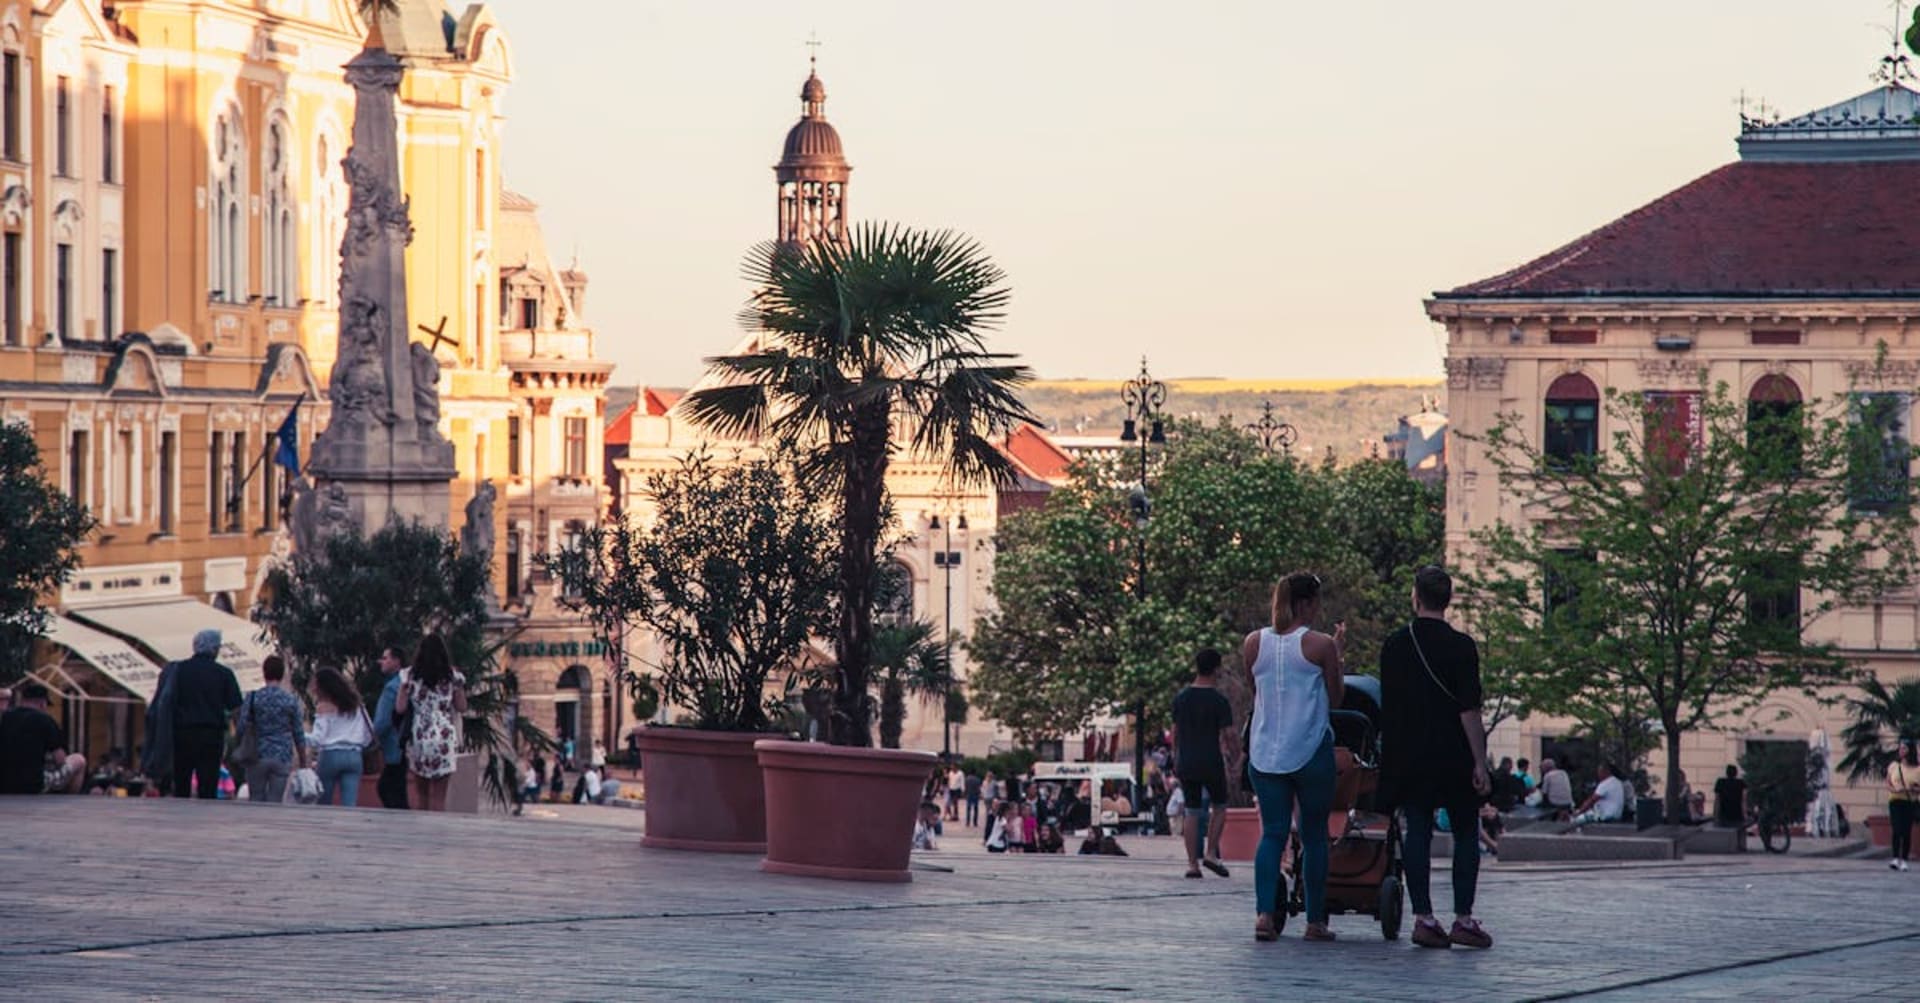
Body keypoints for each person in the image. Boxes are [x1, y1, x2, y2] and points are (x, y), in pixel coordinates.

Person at [1378, 564, 1494, 951]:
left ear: (1416, 596)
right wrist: (1480, 761)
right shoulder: (1462, 646)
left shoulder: (1395, 644)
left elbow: (1389, 708)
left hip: (1411, 754)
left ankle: (1424, 917)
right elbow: (1469, 709)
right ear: (1449, 600)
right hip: (1454, 753)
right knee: (1465, 831)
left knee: (1418, 830)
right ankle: (1463, 917)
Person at [1244, 571, 1345, 944]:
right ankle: (1315, 921)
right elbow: (1336, 699)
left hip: (1266, 749)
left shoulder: (1254, 642)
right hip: (1309, 748)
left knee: (1271, 834)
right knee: (1314, 835)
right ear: (1306, 604)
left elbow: (1257, 689)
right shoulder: (1321, 645)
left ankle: (1264, 915)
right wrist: (1339, 653)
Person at [1172, 646, 1235, 879]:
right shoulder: (1219, 701)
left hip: (1187, 761)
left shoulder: (1181, 698)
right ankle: (1210, 852)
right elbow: (1229, 734)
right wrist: (1237, 757)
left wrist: (1175, 756)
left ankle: (1192, 864)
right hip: (1211, 760)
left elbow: (1175, 732)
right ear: (1216, 668)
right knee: (1219, 806)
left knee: (1191, 810)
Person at [395, 633, 468, 811]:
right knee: (439, 797)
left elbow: (400, 708)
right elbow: (461, 707)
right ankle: (436, 831)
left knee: (422, 794)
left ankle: (421, 833)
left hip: (419, 733)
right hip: (444, 734)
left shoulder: (409, 675)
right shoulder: (453, 677)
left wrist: (404, 691)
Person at [167, 629, 242, 799]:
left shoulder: (178, 670)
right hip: (211, 735)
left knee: (182, 782)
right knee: (208, 784)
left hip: (182, 733)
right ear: (215, 649)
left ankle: (179, 818)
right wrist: (240, 737)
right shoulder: (224, 674)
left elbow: (168, 702)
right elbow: (236, 709)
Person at [233, 656, 305, 803]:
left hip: (256, 755)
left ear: (264, 672)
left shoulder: (253, 697)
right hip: (282, 756)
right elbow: (298, 732)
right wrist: (303, 760)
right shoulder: (290, 700)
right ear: (282, 673)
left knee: (256, 799)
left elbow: (241, 727)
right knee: (275, 801)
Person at [0, 684, 86, 794]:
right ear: (42, 703)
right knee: (79, 760)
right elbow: (60, 759)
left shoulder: (5, 717)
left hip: (4, 784)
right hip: (34, 784)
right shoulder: (45, 720)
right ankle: (69, 799)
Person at [306, 666, 373, 807]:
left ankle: (325, 828)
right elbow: (369, 733)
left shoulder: (324, 707)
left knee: (324, 802)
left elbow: (316, 739)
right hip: (354, 755)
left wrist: (297, 735)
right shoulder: (357, 705)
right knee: (349, 804)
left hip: (330, 755)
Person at [371, 645, 410, 810]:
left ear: (396, 661)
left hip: (394, 746)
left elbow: (383, 721)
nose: (381, 662)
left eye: (386, 658)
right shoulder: (404, 683)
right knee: (396, 788)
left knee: (387, 788)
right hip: (405, 745)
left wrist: (371, 737)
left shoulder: (391, 688)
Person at [1886, 739, 1918, 871]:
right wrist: (1894, 790)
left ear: (1910, 750)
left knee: (1906, 831)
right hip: (1895, 800)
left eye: (1904, 748)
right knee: (1896, 829)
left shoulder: (1917, 769)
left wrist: (1912, 789)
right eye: (1900, 748)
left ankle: (1904, 859)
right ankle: (1895, 858)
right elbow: (1888, 782)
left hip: (1909, 801)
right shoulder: (1894, 766)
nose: (1901, 751)